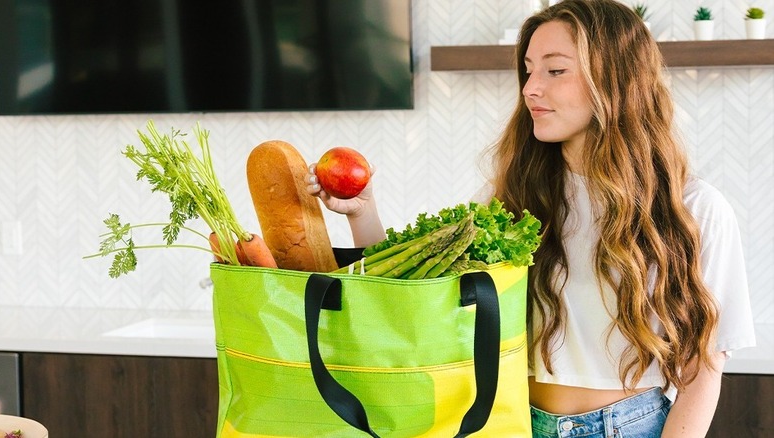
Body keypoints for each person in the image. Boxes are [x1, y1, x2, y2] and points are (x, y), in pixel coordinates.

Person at [306, 0, 756, 436]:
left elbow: (703, 370)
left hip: (627, 428)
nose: (530, 88)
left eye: (555, 70)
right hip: (512, 421)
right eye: (528, 69)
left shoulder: (692, 208)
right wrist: (362, 212)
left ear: (615, 79)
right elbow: (417, 299)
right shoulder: (513, 199)